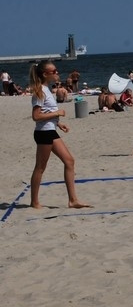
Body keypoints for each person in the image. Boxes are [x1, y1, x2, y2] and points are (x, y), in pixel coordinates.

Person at [28, 60, 91, 209]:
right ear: (45, 74)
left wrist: (58, 123)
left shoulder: (46, 89)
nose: (57, 73)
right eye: (54, 71)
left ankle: (73, 200)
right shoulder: (40, 91)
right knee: (40, 167)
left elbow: (46, 112)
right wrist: (57, 113)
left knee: (69, 161)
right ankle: (34, 202)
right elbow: (36, 116)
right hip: (43, 133)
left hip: (50, 130)